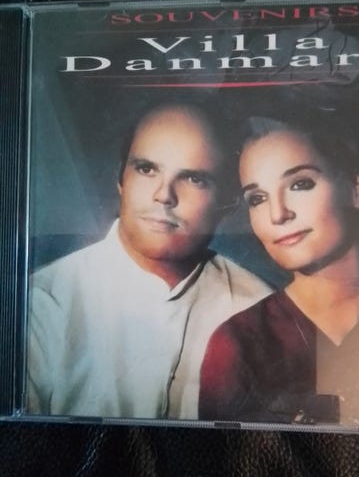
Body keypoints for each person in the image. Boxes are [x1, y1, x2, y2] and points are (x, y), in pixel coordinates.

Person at [199, 115, 359, 430]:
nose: (278, 214)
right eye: (257, 199)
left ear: (358, 188)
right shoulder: (239, 343)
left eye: (300, 184)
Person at [27, 104, 271, 419]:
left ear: (227, 202)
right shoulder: (40, 304)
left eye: (194, 178)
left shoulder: (260, 309)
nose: (164, 195)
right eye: (146, 169)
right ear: (121, 179)